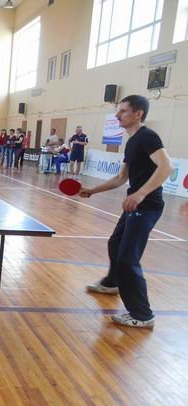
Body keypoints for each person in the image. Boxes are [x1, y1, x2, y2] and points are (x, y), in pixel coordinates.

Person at [80, 95, 172, 328]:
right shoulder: (132, 141)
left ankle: (142, 315)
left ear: (138, 114)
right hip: (134, 205)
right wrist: (92, 190)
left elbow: (166, 167)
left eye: (122, 111)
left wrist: (140, 194)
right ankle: (112, 283)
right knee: (115, 243)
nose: (117, 115)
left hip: (146, 206)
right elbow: (121, 177)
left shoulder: (148, 137)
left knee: (128, 259)